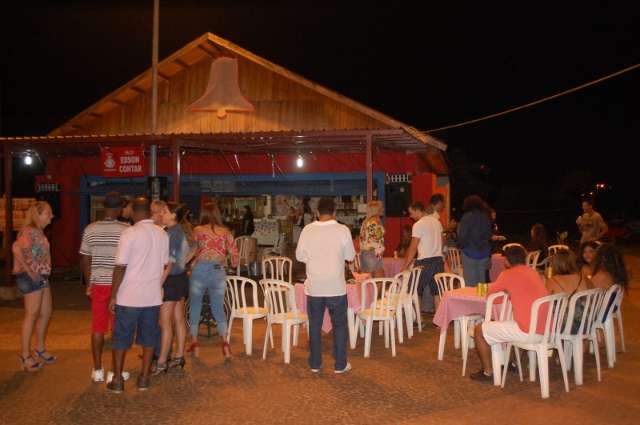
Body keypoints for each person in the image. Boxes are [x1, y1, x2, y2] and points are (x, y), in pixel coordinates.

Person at [107, 197, 170, 393]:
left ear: (135, 211)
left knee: (120, 338)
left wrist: (113, 295)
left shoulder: (130, 233)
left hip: (129, 296)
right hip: (152, 296)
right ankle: (144, 378)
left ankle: (117, 380)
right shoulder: (162, 234)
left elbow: (120, 267)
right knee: (149, 337)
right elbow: (164, 263)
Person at [470, 246, 549, 382]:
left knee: (479, 330)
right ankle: (512, 363)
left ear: (506, 261)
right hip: (545, 328)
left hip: (528, 331)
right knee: (516, 322)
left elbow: (490, 294)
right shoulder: (533, 272)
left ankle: (487, 371)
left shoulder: (507, 274)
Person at [296, 197, 356, 374]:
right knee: (339, 326)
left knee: (314, 325)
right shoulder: (342, 229)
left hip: (314, 286)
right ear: (335, 212)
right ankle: (340, 365)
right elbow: (350, 256)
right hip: (336, 287)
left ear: (317, 212)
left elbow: (299, 256)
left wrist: (314, 259)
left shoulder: (308, 229)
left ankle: (315, 364)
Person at [79, 192, 131, 383]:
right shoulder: (126, 229)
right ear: (118, 209)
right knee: (118, 328)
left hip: (99, 284)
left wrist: (89, 283)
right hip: (120, 286)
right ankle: (114, 372)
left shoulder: (90, 229)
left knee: (98, 327)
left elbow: (85, 258)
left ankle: (97, 370)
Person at [187, 202, 238, 360]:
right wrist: (227, 261)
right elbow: (235, 258)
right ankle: (225, 343)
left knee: (195, 306)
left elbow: (192, 252)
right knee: (218, 308)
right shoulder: (226, 232)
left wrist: (183, 265)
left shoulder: (198, 230)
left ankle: (195, 342)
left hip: (200, 271)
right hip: (218, 271)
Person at [13, 201, 54, 372]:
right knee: (31, 315)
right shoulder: (29, 231)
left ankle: (40, 349)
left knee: (46, 312)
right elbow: (15, 248)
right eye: (48, 213)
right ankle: (25, 355)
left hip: (41, 276)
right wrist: (29, 271)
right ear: (38, 215)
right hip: (32, 278)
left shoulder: (38, 232)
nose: (51, 216)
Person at [154, 202, 195, 374]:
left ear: (173, 216)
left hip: (170, 280)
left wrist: (158, 284)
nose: (161, 214)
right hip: (180, 278)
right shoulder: (180, 230)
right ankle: (178, 357)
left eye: (165, 212)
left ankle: (162, 361)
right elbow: (193, 249)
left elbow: (169, 262)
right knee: (178, 319)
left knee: (165, 323)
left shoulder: (172, 233)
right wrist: (184, 263)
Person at [401, 201, 444, 313]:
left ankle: (416, 320)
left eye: (411, 213)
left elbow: (413, 247)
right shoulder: (437, 222)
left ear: (417, 210)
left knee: (413, 290)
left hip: (424, 261)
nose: (410, 216)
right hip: (438, 260)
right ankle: (439, 322)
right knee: (437, 292)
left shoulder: (418, 224)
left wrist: (405, 266)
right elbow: (442, 242)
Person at [545, 249, 593, 334]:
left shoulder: (552, 281)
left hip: (565, 328)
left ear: (556, 264)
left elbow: (544, 303)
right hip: (588, 325)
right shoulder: (584, 279)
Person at [457, 195, 492, 287]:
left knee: (470, 283)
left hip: (469, 253)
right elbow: (489, 235)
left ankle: (471, 300)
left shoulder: (467, 217)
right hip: (484, 254)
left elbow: (462, 236)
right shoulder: (486, 217)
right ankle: (482, 300)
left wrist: (461, 246)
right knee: (482, 282)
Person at [359, 200, 386, 278]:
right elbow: (378, 242)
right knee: (379, 282)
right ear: (377, 210)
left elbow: (362, 240)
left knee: (369, 284)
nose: (383, 209)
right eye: (381, 208)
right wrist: (380, 254)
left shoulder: (365, 222)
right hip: (373, 254)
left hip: (365, 254)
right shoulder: (375, 223)